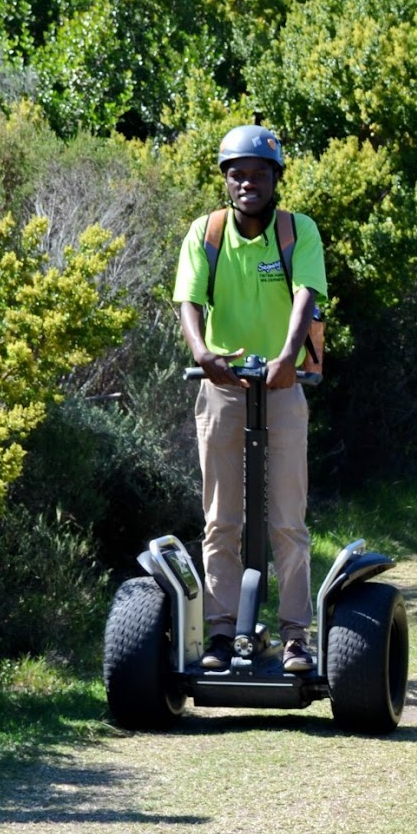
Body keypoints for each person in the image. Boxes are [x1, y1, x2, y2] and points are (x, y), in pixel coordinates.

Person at [171, 124, 328, 674]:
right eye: (237, 174)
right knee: (221, 520)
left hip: (282, 387)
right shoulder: (206, 233)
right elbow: (188, 300)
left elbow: (305, 296)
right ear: (225, 180)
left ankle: (294, 637)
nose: (247, 183)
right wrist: (202, 353)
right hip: (221, 385)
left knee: (287, 520)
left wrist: (287, 358)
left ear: (275, 178)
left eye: (259, 174)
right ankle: (220, 633)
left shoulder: (297, 231)